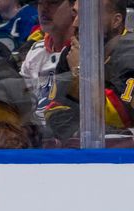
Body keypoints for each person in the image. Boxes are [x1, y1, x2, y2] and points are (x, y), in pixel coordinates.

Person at [45, 0, 134, 144]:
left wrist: (79, 70)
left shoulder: (131, 52)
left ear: (116, 20)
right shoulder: (71, 52)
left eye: (88, 17)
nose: (75, 23)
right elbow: (54, 111)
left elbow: (120, 118)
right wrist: (76, 133)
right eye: (75, 14)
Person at [19, 0, 75, 130]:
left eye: (52, 3)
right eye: (40, 3)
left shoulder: (87, 51)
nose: (43, 10)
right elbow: (24, 105)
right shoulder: (35, 51)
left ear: (75, 7)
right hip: (38, 137)